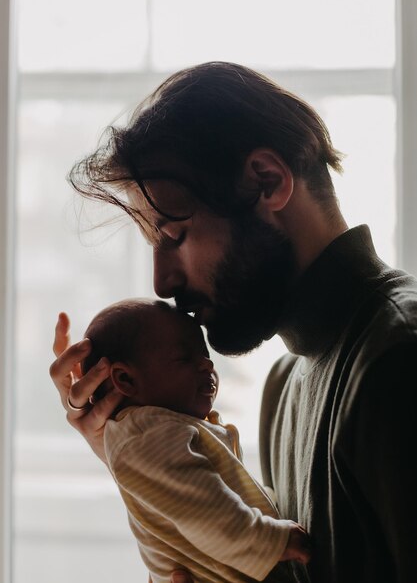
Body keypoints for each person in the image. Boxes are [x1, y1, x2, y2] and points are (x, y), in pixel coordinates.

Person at [50, 61, 417, 583]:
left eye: (173, 235)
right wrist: (145, 466)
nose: (161, 282)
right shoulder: (284, 384)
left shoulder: (398, 360)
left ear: (267, 182)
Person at [80, 297, 310, 583]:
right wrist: (272, 540)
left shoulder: (164, 431)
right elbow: (205, 513)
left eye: (204, 354)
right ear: (125, 379)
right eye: (184, 357)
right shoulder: (147, 436)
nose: (206, 364)